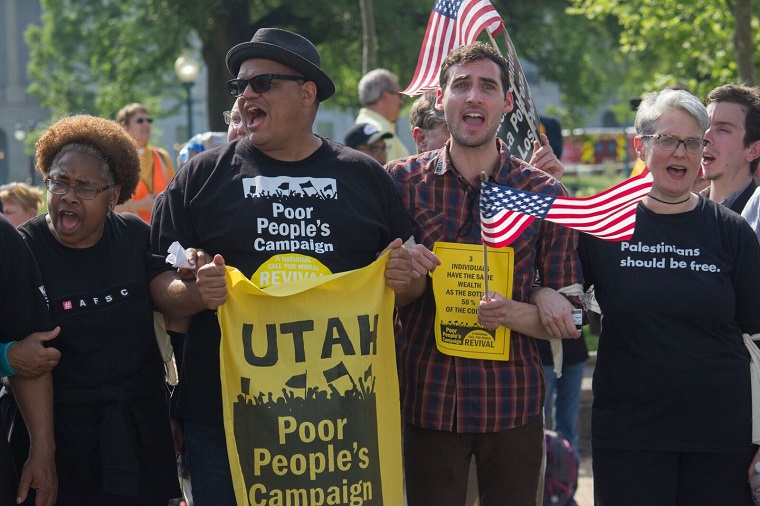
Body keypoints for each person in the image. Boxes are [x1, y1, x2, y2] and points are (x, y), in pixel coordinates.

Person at [149, 28, 418, 505]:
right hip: (224, 419)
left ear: (307, 93)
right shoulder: (201, 176)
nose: (246, 94)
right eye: (240, 86)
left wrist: (407, 280)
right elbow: (158, 281)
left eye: (263, 83)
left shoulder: (365, 177)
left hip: (340, 422)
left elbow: (408, 282)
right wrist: (194, 294)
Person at [386, 42, 584, 506]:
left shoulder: (543, 193)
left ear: (507, 102)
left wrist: (519, 307)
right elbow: (372, 298)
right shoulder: (398, 184)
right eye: (462, 86)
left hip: (512, 408)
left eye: (488, 87)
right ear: (441, 98)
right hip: (426, 404)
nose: (474, 96)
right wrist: (400, 274)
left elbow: (575, 319)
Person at [578, 88, 760, 505]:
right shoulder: (602, 228)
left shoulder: (733, 233)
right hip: (629, 441)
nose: (680, 153)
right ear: (640, 146)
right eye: (667, 140)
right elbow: (569, 307)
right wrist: (538, 294)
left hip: (720, 441)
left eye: (693, 142)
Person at [20, 114, 179, 505]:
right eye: (59, 181)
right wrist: (42, 453)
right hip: (60, 440)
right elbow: (25, 358)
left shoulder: (135, 237)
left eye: (85, 187)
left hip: (139, 432)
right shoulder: (23, 250)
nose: (68, 196)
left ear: (114, 195)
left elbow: (172, 305)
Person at [0, 214, 60, 506]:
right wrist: (4, 357)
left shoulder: (3, 235)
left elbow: (32, 353)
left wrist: (42, 452)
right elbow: (17, 357)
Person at [701, 84, 760, 214]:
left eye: (723, 129)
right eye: (704, 126)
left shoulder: (755, 220)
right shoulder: (684, 211)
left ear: (753, 150)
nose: (705, 137)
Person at [115, 103, 176, 223]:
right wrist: (139, 205)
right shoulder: (116, 159)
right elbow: (106, 207)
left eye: (149, 120)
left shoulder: (162, 156)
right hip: (127, 234)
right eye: (140, 120)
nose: (146, 124)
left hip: (160, 232)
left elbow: (176, 196)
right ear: (125, 127)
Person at [356, 68, 410, 160]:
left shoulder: (362, 125)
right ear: (385, 96)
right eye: (399, 95)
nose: (401, 101)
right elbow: (390, 172)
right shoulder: (381, 132)